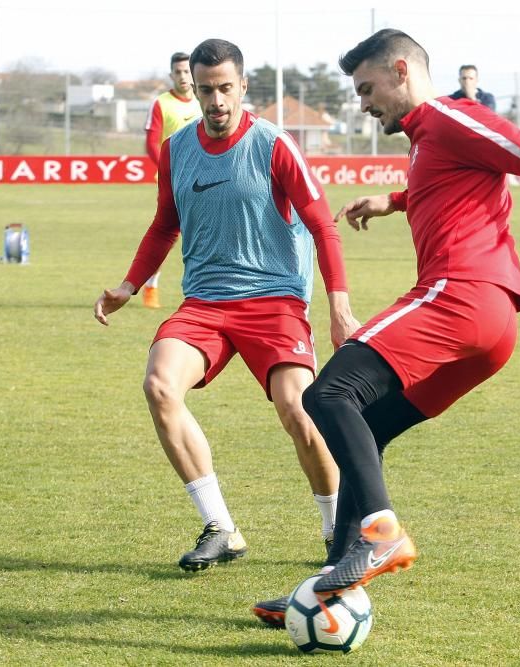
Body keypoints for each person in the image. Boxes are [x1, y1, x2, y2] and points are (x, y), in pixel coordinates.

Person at [252, 28, 520, 627]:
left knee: (327, 393)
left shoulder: (453, 118)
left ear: (402, 70)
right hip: (487, 327)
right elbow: (453, 184)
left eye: (368, 88)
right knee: (366, 429)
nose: (363, 103)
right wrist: (395, 201)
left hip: (462, 296)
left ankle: (381, 534)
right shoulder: (429, 137)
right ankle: (331, 584)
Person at [94, 38, 359, 572]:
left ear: (242, 87)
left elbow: (323, 226)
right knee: (160, 386)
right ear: (192, 87)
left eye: (225, 89)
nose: (215, 101)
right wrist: (130, 284)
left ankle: (336, 531)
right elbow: (165, 224)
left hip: (275, 299)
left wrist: (339, 309)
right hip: (206, 304)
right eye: (206, 89)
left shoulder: (274, 145)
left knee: (299, 411)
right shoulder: (176, 149)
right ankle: (221, 527)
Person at [140, 51, 202, 309]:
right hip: (172, 182)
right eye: (178, 72)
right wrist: (170, 170)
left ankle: (203, 291)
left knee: (203, 234)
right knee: (168, 234)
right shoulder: (161, 103)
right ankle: (151, 286)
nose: (183, 76)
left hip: (205, 180)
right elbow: (151, 143)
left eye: (187, 71)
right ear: (171, 75)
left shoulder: (205, 98)